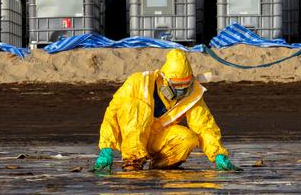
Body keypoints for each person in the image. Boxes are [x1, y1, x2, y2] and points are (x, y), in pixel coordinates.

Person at [93, 49, 240, 172]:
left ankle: (160, 165)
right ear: (164, 79)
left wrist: (218, 154)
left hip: (157, 139)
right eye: (176, 85)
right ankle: (132, 162)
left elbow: (204, 125)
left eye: (185, 85)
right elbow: (112, 113)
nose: (181, 90)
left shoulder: (192, 94)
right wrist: (106, 147)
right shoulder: (138, 82)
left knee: (189, 138)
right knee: (136, 107)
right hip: (131, 135)